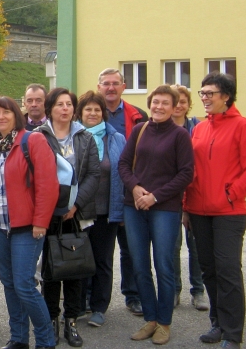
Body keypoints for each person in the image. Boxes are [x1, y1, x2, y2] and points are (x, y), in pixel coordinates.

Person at [185, 73, 246, 349]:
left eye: (210, 93)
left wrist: (231, 194)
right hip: (198, 210)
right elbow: (192, 170)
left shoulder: (243, 126)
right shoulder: (200, 129)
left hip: (229, 212)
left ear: (226, 96)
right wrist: (186, 206)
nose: (204, 98)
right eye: (202, 93)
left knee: (228, 269)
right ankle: (217, 323)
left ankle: (232, 333)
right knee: (209, 269)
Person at [0, 96, 58, 349]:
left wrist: (41, 221)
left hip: (27, 227)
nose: (1, 117)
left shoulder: (33, 140)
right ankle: (19, 338)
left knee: (24, 285)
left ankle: (45, 340)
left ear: (16, 116)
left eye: (6, 112)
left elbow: (48, 185)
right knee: (10, 284)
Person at [119, 85, 194, 346]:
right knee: (140, 266)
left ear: (174, 108)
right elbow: (123, 164)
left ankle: (164, 323)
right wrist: (135, 187)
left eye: (165, 103)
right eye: (155, 102)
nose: (159, 107)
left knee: (163, 265)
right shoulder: (139, 130)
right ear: (150, 104)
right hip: (134, 206)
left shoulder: (180, 135)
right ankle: (150, 319)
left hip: (164, 209)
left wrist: (155, 196)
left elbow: (186, 173)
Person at [35, 88, 99, 348]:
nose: (65, 108)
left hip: (76, 214)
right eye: (59, 104)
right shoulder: (38, 136)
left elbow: (93, 174)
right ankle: (51, 320)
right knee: (51, 270)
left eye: (69, 104)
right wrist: (51, 206)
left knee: (75, 269)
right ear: (50, 109)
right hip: (48, 213)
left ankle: (71, 320)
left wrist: (75, 204)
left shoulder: (85, 137)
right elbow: (33, 173)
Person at [97, 67, 147, 317]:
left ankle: (133, 295)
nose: (110, 88)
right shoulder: (91, 112)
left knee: (131, 249)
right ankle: (93, 298)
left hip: (131, 191)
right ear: (99, 87)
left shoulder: (138, 116)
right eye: (106, 83)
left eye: (115, 83)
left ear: (123, 87)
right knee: (99, 252)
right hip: (101, 195)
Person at [75, 91, 126, 328]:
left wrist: (123, 208)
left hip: (106, 210)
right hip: (78, 211)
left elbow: (124, 173)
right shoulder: (73, 138)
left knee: (103, 260)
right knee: (78, 260)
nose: (93, 113)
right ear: (80, 113)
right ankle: (78, 305)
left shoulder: (116, 139)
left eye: (97, 109)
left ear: (103, 113)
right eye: (88, 109)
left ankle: (98, 307)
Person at [168, 84, 208, 311]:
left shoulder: (198, 128)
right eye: (175, 101)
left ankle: (198, 291)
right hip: (170, 195)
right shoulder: (160, 128)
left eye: (182, 101)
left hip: (194, 192)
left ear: (188, 104)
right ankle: (174, 289)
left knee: (196, 245)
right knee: (172, 246)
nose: (178, 105)